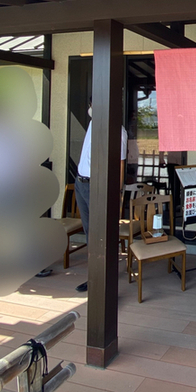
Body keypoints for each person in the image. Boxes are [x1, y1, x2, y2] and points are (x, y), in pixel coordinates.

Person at [74, 101, 128, 292]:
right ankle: (95, 275)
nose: (91, 107)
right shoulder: (93, 123)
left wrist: (116, 193)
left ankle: (102, 278)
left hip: (97, 186)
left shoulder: (118, 131)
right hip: (80, 182)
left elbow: (120, 164)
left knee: (100, 234)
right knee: (90, 232)